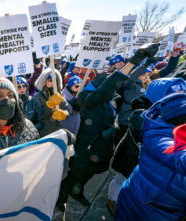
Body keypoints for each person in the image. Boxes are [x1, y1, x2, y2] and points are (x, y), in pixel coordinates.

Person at [56, 43, 160, 212]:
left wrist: (145, 64)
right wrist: (135, 59)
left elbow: (121, 83)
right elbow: (111, 84)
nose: (114, 90)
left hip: (100, 147)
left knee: (88, 174)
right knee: (76, 175)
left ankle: (78, 192)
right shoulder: (88, 98)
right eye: (110, 87)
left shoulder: (109, 99)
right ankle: (61, 197)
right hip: (86, 147)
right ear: (101, 86)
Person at [115, 93, 186, 221]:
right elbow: (179, 159)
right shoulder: (159, 137)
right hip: (147, 208)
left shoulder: (161, 128)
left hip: (147, 203)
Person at [28, 68, 70, 137]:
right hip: (44, 133)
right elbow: (38, 117)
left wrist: (64, 113)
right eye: (50, 80)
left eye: (55, 81)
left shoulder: (60, 94)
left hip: (58, 131)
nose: (53, 83)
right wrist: (49, 107)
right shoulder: (37, 96)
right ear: (44, 81)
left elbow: (68, 109)